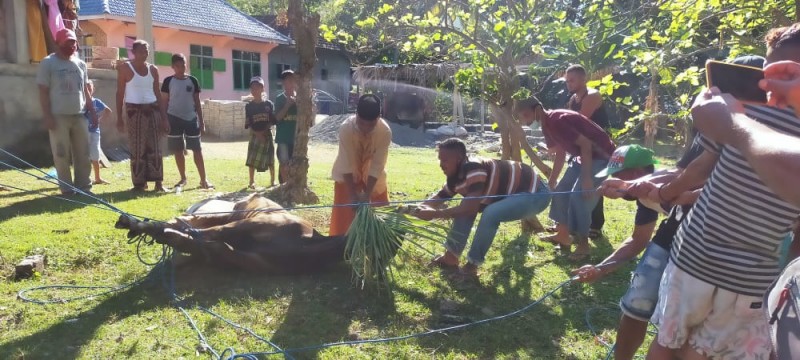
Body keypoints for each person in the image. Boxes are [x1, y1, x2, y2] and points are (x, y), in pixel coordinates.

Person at [641, 24, 800, 360]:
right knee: (701, 353)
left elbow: (702, 165)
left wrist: (668, 192)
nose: (769, 86)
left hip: (695, 252)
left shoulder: (737, 110)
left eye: (783, 74)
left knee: (666, 340)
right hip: (750, 274)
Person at [572, 142, 705, 360]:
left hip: (699, 242)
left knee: (678, 324)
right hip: (670, 233)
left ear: (636, 173)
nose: (614, 182)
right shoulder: (644, 197)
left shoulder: (669, 182)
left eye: (618, 175)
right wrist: (600, 269)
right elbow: (638, 240)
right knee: (635, 304)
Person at [414, 138, 551, 278]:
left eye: (445, 160)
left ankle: (471, 266)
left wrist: (436, 214)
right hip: (515, 194)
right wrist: (413, 210)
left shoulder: (474, 168)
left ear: (459, 158)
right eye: (440, 160)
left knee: (490, 213)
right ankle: (451, 257)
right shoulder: (455, 177)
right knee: (465, 209)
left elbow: (470, 208)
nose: (441, 165)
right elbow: (437, 198)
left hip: (537, 193)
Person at [515, 97, 616, 262]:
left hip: (601, 157)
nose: (526, 122)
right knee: (561, 192)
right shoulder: (547, 126)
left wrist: (587, 178)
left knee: (579, 195)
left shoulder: (558, 120)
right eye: (522, 118)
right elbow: (560, 153)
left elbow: (586, 145)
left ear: (538, 109)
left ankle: (583, 244)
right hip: (581, 157)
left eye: (526, 115)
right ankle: (563, 235)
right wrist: (553, 180)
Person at [36, 28, 97, 195]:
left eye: (74, 43)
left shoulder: (80, 64)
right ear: (58, 43)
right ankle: (67, 189)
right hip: (58, 117)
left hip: (79, 115)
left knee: (83, 153)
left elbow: (86, 90)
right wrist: (47, 116)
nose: (71, 46)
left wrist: (92, 111)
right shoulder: (48, 63)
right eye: (67, 42)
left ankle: (84, 186)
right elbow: (43, 91)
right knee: (61, 153)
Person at [329, 94, 392, 236]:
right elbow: (345, 163)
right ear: (356, 115)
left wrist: (367, 194)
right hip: (348, 179)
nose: (365, 128)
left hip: (374, 180)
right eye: (362, 123)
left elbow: (378, 165)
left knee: (381, 220)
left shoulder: (385, 131)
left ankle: (377, 251)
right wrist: (352, 195)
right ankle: (341, 251)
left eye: (370, 125)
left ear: (378, 118)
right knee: (344, 222)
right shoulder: (346, 129)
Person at [116, 39, 169, 192]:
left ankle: (158, 182)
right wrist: (119, 117)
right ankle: (139, 183)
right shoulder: (125, 68)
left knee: (156, 147)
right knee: (137, 147)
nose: (144, 54)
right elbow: (120, 93)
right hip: (134, 112)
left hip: (153, 110)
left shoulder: (153, 69)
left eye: (146, 51)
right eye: (141, 51)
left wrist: (164, 117)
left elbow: (158, 94)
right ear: (133, 52)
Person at [565, 64, 611, 239]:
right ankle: (570, 225)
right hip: (584, 149)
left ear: (583, 79)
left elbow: (576, 123)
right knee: (578, 187)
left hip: (601, 150)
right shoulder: (573, 99)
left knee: (591, 186)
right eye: (567, 81)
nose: (568, 84)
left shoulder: (592, 96)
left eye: (572, 80)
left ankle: (595, 225)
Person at [161, 53, 212, 190]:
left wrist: (201, 121)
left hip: (191, 119)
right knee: (178, 150)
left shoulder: (193, 80)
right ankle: (183, 178)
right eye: (177, 65)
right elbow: (164, 102)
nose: (181, 68)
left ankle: (203, 179)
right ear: (172, 67)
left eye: (183, 64)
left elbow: (197, 101)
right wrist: (164, 120)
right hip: (173, 118)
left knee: (197, 149)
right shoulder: (167, 82)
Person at [244, 76, 277, 189]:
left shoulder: (269, 104)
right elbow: (249, 123)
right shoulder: (249, 106)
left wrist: (262, 133)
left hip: (266, 134)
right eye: (252, 88)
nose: (255, 90)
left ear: (262, 89)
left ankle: (273, 180)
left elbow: (272, 121)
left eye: (257, 88)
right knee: (252, 159)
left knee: (270, 159)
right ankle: (251, 181)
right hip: (254, 134)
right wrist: (257, 134)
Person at [85, 79, 112, 185]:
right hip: (83, 132)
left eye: (89, 87)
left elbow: (108, 111)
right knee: (84, 155)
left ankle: (97, 178)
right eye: (86, 88)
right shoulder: (81, 102)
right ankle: (86, 178)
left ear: (93, 89)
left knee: (95, 155)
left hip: (95, 131)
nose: (88, 89)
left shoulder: (96, 102)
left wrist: (100, 120)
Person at [274, 69, 298, 184]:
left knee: (295, 165)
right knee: (283, 163)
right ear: (283, 83)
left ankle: (291, 186)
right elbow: (276, 118)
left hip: (296, 139)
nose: (292, 83)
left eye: (294, 80)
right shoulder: (279, 99)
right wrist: (287, 105)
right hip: (283, 138)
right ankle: (284, 187)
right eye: (289, 80)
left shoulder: (301, 99)